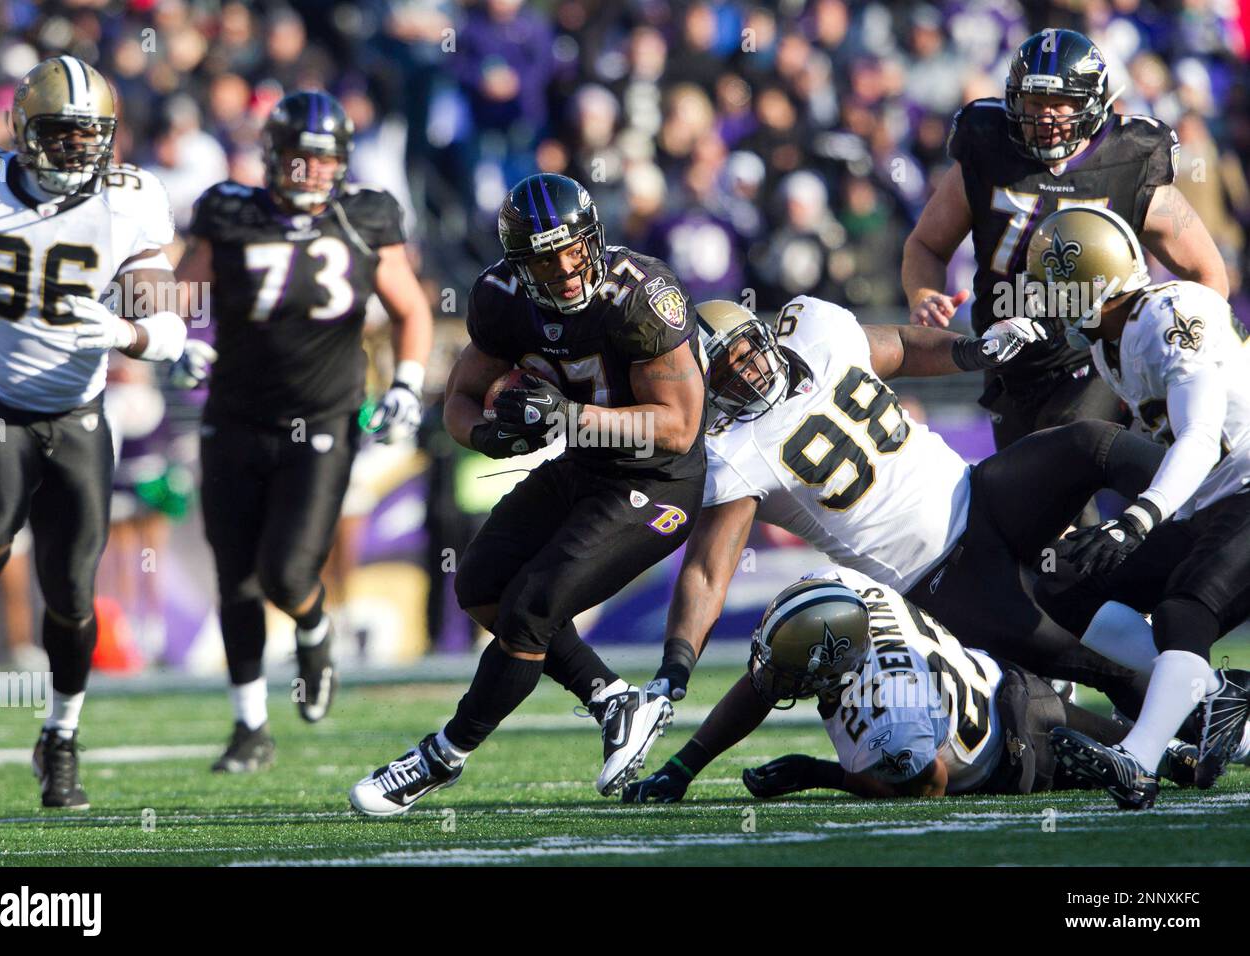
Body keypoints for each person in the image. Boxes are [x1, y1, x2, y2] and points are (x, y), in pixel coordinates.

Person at [348, 173, 707, 815]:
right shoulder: (502, 296)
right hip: (584, 466)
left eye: (575, 249)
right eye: (547, 257)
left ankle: (440, 757)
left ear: (593, 237)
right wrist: (489, 436)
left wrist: (567, 419)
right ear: (521, 264)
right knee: (480, 583)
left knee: (531, 607)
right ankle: (613, 700)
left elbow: (679, 428)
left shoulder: (641, 297)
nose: (568, 269)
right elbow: (457, 400)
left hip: (657, 483)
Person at [641, 296, 1166, 719]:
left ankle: (1202, 490)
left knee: (1087, 444)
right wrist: (675, 668)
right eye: (727, 374)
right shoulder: (731, 452)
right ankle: (1185, 728)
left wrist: (973, 351)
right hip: (938, 580)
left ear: (764, 334)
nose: (748, 374)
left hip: (979, 492)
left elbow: (897, 345)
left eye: (746, 353)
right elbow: (708, 572)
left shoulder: (815, 329)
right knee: (1087, 664)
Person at [171, 91, 434, 773]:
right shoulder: (229, 211)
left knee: (285, 573)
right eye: (301, 157)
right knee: (235, 578)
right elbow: (177, 295)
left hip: (322, 419)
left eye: (326, 159)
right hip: (233, 417)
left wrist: (406, 380)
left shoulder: (365, 215)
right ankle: (249, 725)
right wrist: (172, 340)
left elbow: (410, 307)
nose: (314, 171)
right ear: (273, 156)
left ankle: (315, 631)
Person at [0, 57, 186, 808]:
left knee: (73, 595)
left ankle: (60, 736)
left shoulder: (131, 200)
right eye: (61, 137)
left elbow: (173, 324)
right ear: (22, 134)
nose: (78, 153)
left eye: (91, 138)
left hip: (77, 414)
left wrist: (125, 330)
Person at [1018, 205, 1250, 809]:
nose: (1049, 304)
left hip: (1243, 484)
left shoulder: (1173, 316)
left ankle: (1138, 760)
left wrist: (1140, 517)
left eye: (1058, 292)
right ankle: (1216, 705)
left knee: (1184, 612)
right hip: (1208, 499)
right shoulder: (1111, 341)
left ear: (1096, 287)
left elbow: (1200, 434)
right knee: (1068, 585)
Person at [902, 29, 1227, 458]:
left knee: (1060, 471)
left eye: (1061, 104)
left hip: (1094, 361)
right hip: (1006, 360)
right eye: (1035, 103)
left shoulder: (1128, 159)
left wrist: (1175, 347)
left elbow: (1207, 272)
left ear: (1091, 104)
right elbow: (925, 245)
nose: (1046, 117)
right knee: (1025, 510)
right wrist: (923, 294)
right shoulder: (987, 149)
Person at [624, 565, 1197, 804]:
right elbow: (763, 683)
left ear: (836, 667)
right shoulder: (840, 589)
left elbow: (930, 785)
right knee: (1142, 749)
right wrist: (683, 766)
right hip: (1006, 682)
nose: (774, 681)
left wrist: (815, 773)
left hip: (1005, 759)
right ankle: (1170, 750)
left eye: (792, 672)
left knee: (1115, 766)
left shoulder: (889, 716)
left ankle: (1149, 752)